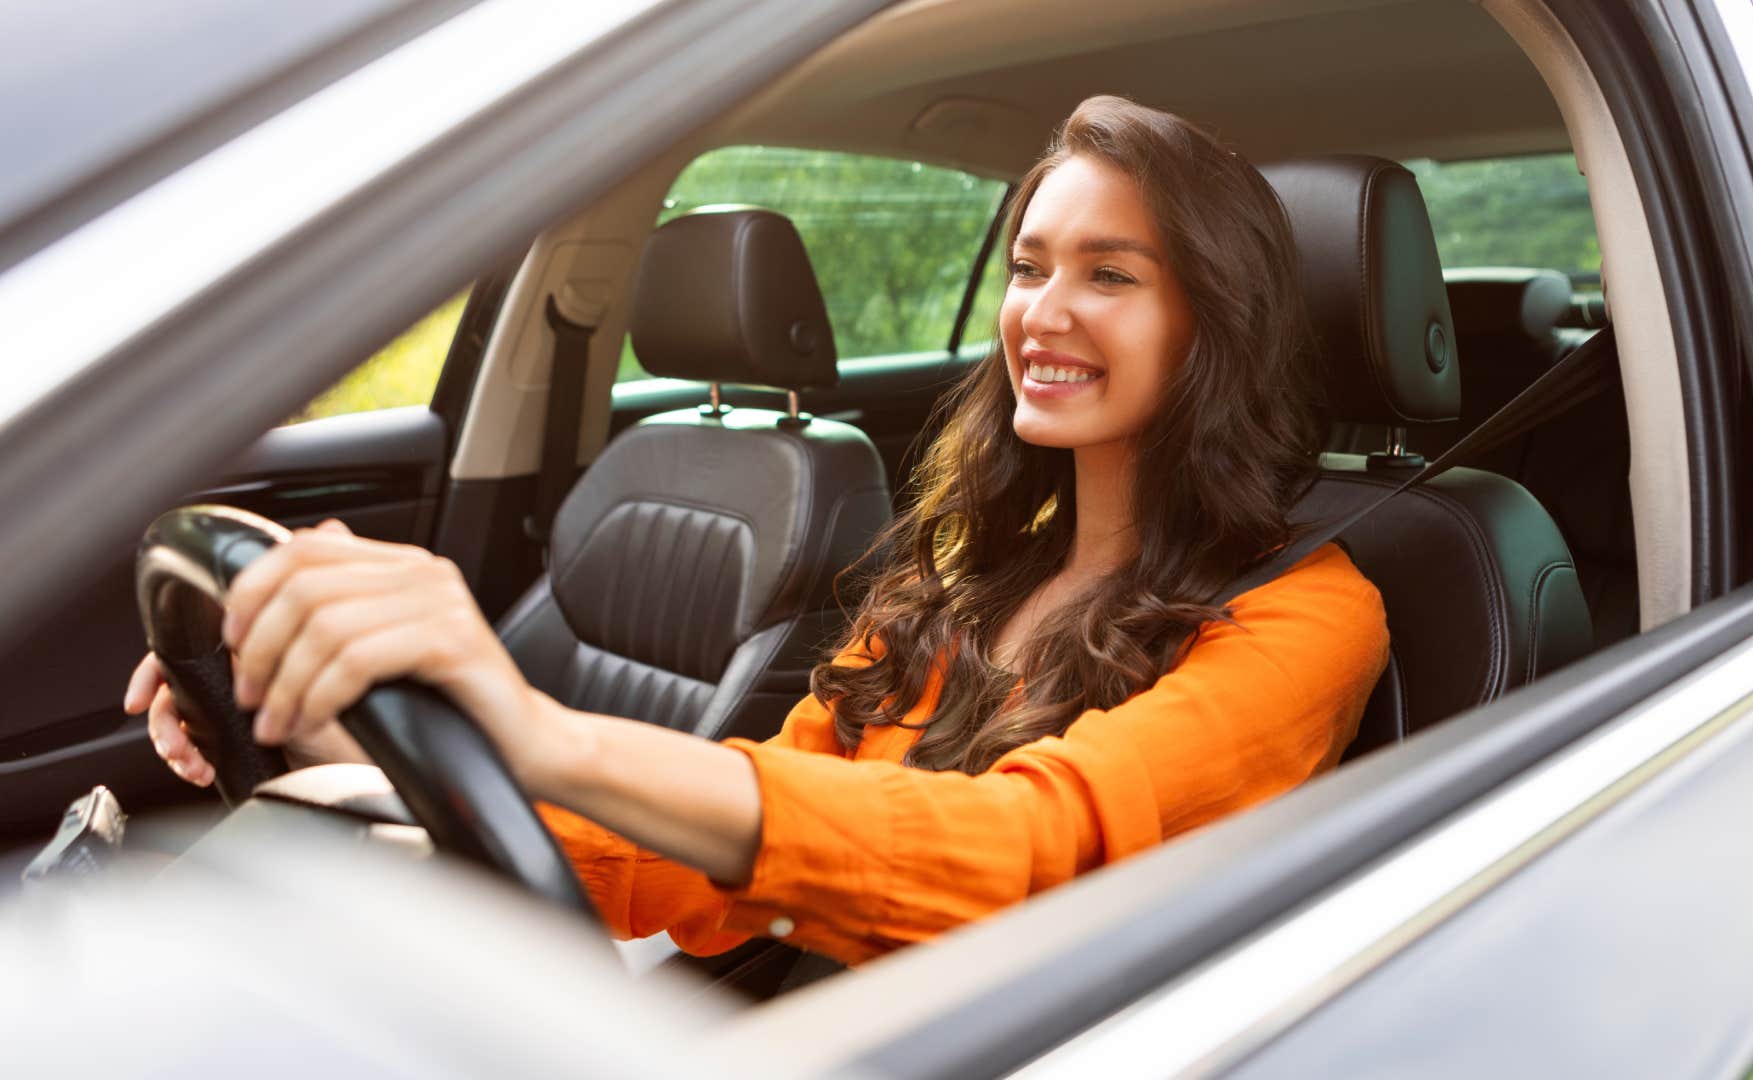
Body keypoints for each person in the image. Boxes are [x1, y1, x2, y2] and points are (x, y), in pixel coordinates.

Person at [126, 95, 1389, 966]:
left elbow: (1033, 856)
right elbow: (744, 841)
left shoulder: (1312, 614)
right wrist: (350, 740)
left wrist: (540, 734)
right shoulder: (960, 577)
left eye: (1111, 274)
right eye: (1029, 264)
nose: (1042, 313)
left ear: (1214, 323)